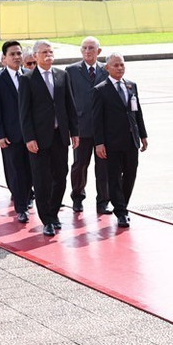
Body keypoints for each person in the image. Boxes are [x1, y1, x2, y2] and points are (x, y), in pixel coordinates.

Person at [18, 40, 79, 236]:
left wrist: (74, 132)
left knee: (60, 175)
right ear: (35, 56)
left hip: (59, 135)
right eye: (44, 52)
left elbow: (70, 105)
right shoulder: (27, 79)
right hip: (38, 138)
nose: (48, 55)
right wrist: (29, 138)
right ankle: (46, 219)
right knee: (41, 179)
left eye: (50, 51)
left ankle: (54, 213)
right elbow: (24, 113)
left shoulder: (62, 75)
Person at [92, 52, 148, 229]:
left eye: (122, 65)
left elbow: (137, 112)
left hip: (131, 139)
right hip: (111, 142)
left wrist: (143, 135)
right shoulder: (100, 90)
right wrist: (99, 143)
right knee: (114, 177)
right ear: (107, 68)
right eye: (115, 65)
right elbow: (97, 119)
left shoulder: (131, 86)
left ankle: (123, 203)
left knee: (130, 174)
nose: (119, 68)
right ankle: (121, 211)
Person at [0, 40, 33, 224]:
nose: (16, 57)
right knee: (15, 171)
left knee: (31, 170)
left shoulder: (30, 76)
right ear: (4, 58)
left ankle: (28, 196)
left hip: (30, 135)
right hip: (10, 134)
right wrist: (0, 134)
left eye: (18, 53)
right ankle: (21, 207)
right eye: (12, 54)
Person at [66, 37, 110, 214]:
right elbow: (67, 100)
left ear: (99, 51)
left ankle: (103, 201)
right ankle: (77, 197)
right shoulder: (71, 71)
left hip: (103, 129)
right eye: (84, 48)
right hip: (81, 128)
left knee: (104, 167)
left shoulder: (106, 70)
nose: (87, 51)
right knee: (80, 165)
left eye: (91, 48)